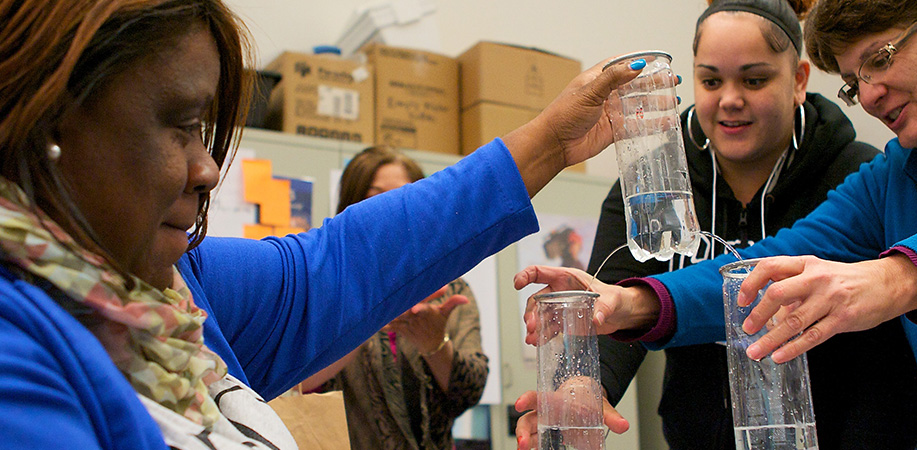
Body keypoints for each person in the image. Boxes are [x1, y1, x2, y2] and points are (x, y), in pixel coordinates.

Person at [0, 0, 650, 447]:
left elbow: (350, 261)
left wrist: (551, 144)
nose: (206, 170)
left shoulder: (174, 291)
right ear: (52, 117)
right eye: (179, 125)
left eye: (205, 132)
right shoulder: (19, 355)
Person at [515, 0, 917, 449]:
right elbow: (775, 259)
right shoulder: (898, 177)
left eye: (880, 59)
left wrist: (895, 279)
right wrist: (631, 304)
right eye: (853, 80)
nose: (869, 94)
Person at [300, 146, 489, 450]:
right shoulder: (327, 284)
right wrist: (369, 315)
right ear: (350, 207)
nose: (392, 211)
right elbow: (294, 382)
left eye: (406, 198)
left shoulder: (449, 288)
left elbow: (469, 393)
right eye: (376, 198)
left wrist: (436, 345)